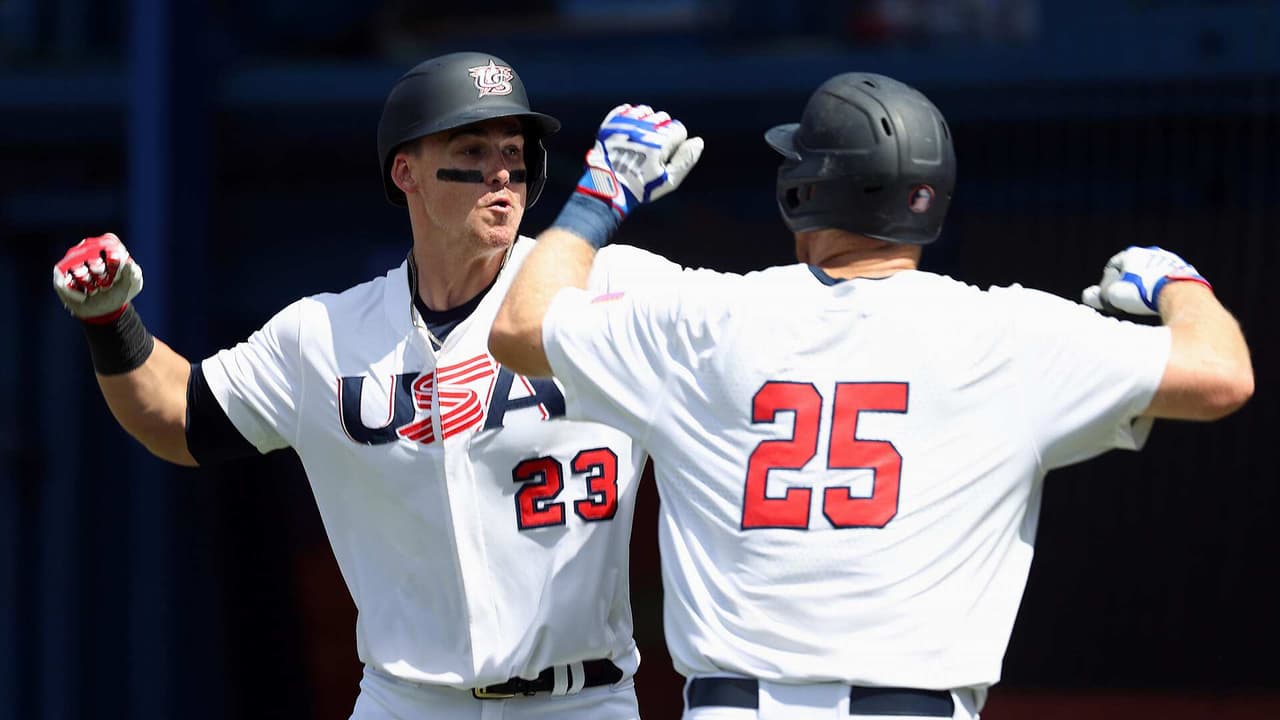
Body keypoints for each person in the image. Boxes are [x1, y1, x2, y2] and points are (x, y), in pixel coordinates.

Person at [488, 73, 1254, 719]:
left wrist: (601, 194)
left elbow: (521, 326)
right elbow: (1221, 376)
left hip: (735, 706)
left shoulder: (704, 320)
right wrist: (1180, 285)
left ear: (803, 190)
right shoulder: (1011, 332)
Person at [50, 52, 700, 720]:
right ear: (405, 170)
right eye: (471, 148)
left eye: (513, 149)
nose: (501, 170)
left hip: (581, 702)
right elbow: (178, 416)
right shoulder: (324, 335)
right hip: (404, 701)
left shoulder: (610, 286)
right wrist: (110, 322)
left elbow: (759, 338)